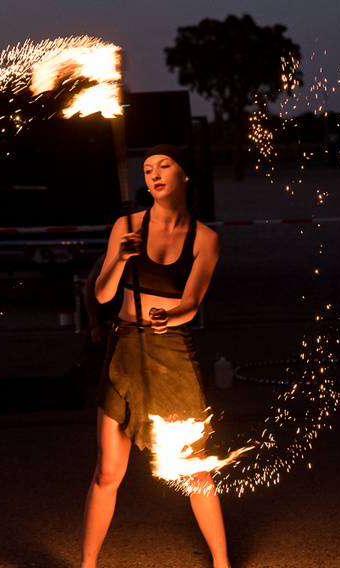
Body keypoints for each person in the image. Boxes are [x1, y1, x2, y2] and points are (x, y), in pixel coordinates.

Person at [80, 144, 229, 568]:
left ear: (185, 177)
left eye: (164, 166)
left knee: (197, 469)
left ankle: (222, 562)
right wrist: (121, 258)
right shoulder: (126, 225)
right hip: (125, 345)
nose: (154, 175)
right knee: (109, 470)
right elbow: (104, 293)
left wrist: (173, 314)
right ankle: (87, 565)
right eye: (147, 169)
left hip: (172, 352)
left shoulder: (206, 239)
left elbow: (193, 301)